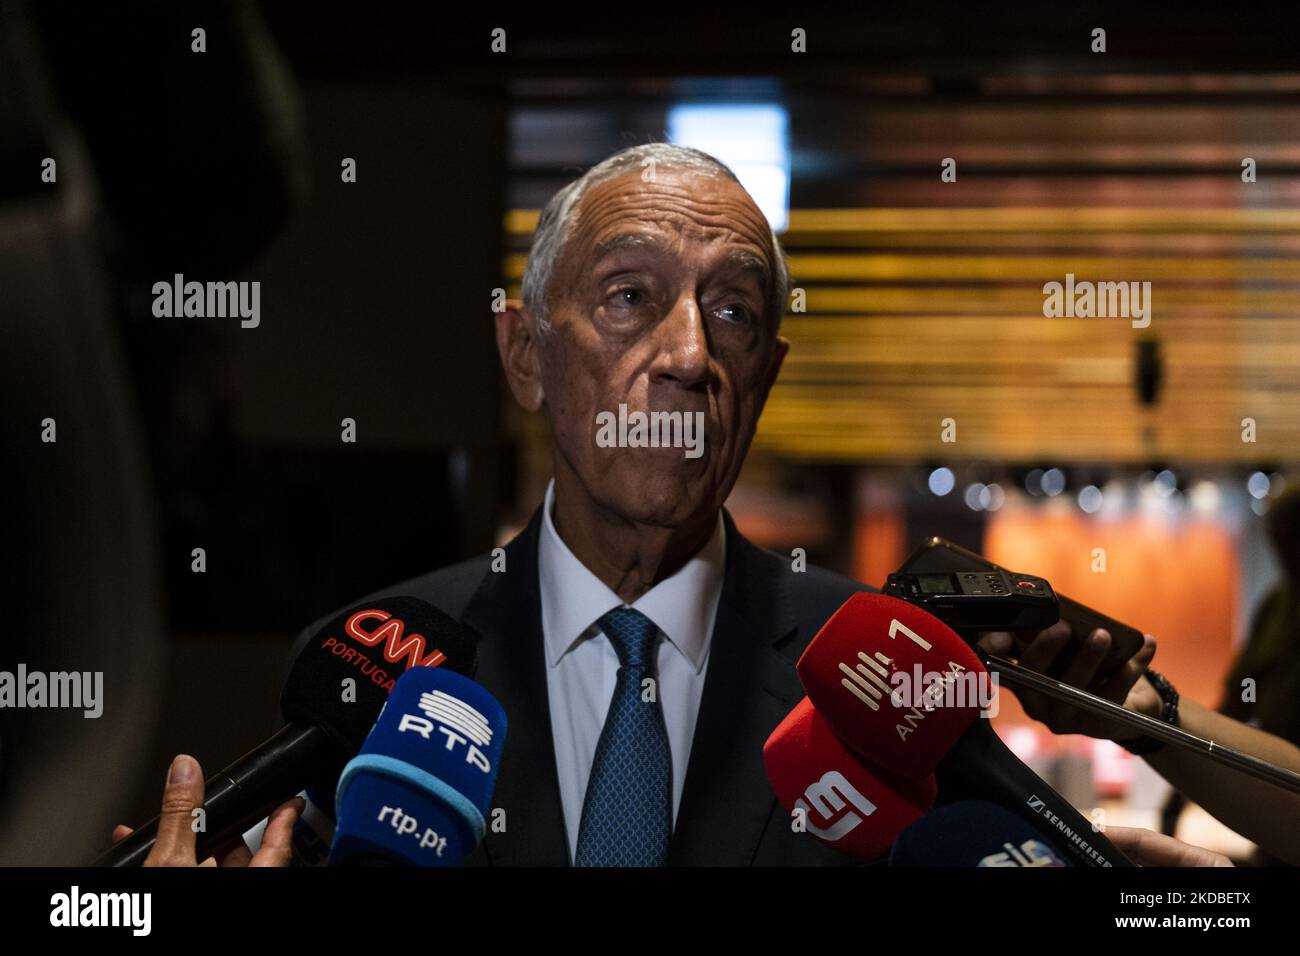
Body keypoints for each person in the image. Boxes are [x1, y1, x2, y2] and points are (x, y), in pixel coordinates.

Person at [122, 143, 1153, 866]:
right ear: (525, 355)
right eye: (628, 297)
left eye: (733, 313)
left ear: (765, 376)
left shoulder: (886, 683)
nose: (690, 355)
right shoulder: (368, 665)